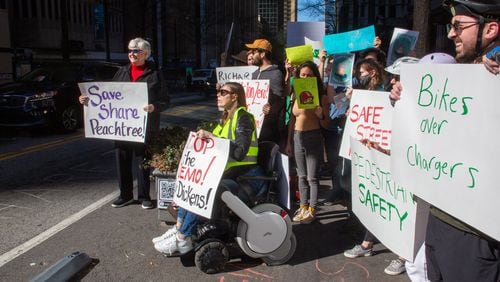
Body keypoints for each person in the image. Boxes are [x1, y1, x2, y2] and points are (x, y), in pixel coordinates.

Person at [390, 1, 500, 280]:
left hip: (476, 233)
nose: (451, 34)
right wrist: (406, 99)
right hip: (440, 217)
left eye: (458, 26)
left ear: (491, 29)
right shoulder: (460, 77)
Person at [153, 82, 266, 256]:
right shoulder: (226, 119)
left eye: (223, 92)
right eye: (218, 92)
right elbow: (218, 146)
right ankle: (179, 230)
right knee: (192, 185)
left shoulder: (243, 117)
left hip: (247, 177)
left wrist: (212, 137)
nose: (218, 95)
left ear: (235, 96)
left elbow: (240, 152)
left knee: (203, 189)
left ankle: (183, 237)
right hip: (232, 174)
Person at [79, 37, 168, 209]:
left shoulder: (155, 74)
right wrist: (87, 99)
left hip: (144, 126)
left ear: (146, 54)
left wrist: (154, 107)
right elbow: (107, 96)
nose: (132, 54)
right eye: (130, 50)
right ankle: (125, 195)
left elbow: (166, 100)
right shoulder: (121, 72)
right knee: (122, 160)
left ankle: (144, 196)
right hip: (121, 127)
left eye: (136, 51)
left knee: (143, 161)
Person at [285, 61, 329, 224]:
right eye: (303, 75)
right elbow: (292, 119)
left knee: (312, 178)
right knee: (301, 176)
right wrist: (289, 142)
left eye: (309, 75)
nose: (306, 77)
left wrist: (320, 115)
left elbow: (326, 124)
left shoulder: (320, 95)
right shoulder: (296, 93)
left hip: (313, 137)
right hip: (297, 137)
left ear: (315, 77)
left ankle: (312, 209)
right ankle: (303, 206)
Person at [245, 39, 287, 150]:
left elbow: (280, 100)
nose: (252, 55)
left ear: (262, 54)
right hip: (254, 126)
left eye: (254, 52)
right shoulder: (254, 74)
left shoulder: (276, 74)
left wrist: (271, 108)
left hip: (268, 129)